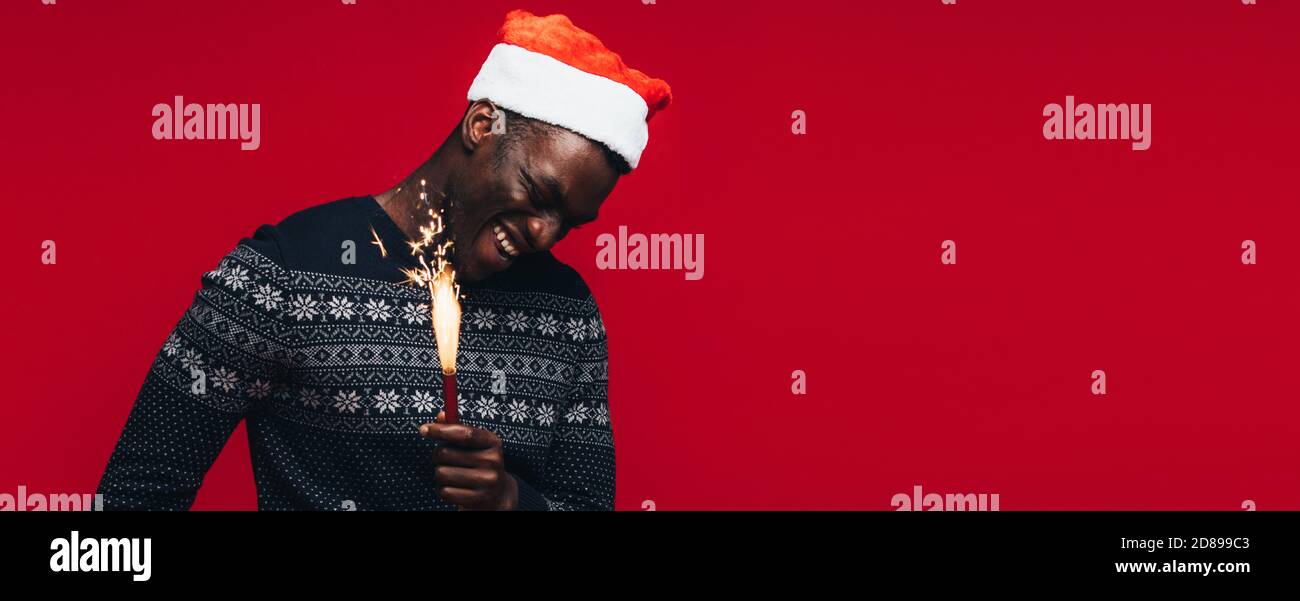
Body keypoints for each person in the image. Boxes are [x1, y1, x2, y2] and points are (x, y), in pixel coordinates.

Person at [97, 10, 672, 511]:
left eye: (569, 222)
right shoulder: (283, 276)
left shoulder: (566, 312)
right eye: (539, 195)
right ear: (482, 126)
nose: (546, 235)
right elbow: (136, 498)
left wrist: (511, 501)